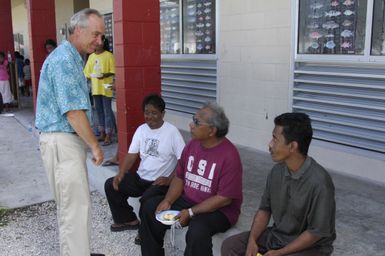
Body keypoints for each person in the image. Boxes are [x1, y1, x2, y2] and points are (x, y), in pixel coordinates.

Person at [35, 8, 106, 256]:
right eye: (95, 35)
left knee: (77, 206)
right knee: (73, 210)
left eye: (102, 36)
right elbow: (74, 112)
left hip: (64, 143)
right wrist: (95, 146)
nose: (99, 41)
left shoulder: (70, 57)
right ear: (78, 30)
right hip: (62, 142)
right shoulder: (65, 60)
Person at [221, 112, 336, 256]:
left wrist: (280, 252)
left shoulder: (320, 182)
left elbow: (315, 233)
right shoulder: (276, 172)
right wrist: (252, 240)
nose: (270, 144)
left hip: (311, 247)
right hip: (279, 237)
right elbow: (265, 209)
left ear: (292, 146)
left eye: (275, 139)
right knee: (231, 246)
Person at [139, 102, 243, 256]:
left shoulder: (230, 155)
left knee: (198, 230)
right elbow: (180, 177)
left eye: (196, 122)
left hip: (220, 210)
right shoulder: (192, 145)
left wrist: (191, 212)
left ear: (212, 130)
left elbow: (224, 199)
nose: (190, 125)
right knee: (150, 208)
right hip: (189, 200)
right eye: (193, 119)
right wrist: (168, 200)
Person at [104, 94, 185, 241]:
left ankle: (144, 231)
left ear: (163, 114)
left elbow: (183, 161)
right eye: (147, 112)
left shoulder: (172, 132)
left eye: (154, 113)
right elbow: (131, 155)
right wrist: (121, 173)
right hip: (141, 178)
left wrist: (169, 179)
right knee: (111, 184)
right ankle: (127, 219)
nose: (150, 116)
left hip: (160, 182)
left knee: (147, 200)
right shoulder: (141, 130)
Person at [84, 35, 116, 146]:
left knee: (107, 111)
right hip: (95, 88)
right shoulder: (91, 57)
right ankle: (102, 132)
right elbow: (87, 73)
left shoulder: (109, 55)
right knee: (98, 111)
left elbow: (113, 70)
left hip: (106, 87)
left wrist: (104, 75)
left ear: (104, 42)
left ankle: (109, 135)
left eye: (100, 41)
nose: (97, 43)